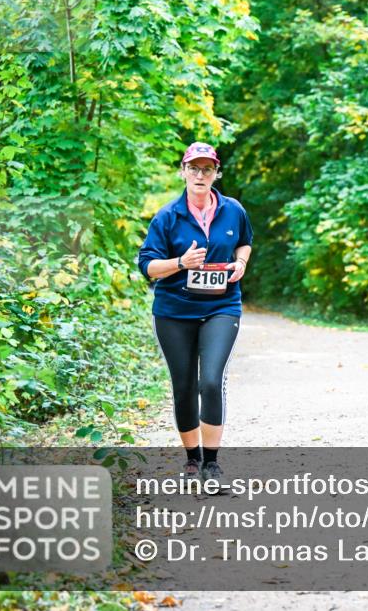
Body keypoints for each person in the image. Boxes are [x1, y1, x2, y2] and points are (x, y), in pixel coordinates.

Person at [138, 141, 253, 484]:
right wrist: (180, 263)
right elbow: (148, 267)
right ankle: (192, 459)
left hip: (222, 305)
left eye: (207, 169)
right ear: (183, 172)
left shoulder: (233, 210)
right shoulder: (167, 217)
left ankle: (213, 464)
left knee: (211, 381)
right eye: (194, 168)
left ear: (216, 173)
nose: (200, 175)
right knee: (184, 385)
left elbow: (245, 241)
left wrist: (242, 262)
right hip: (174, 311)